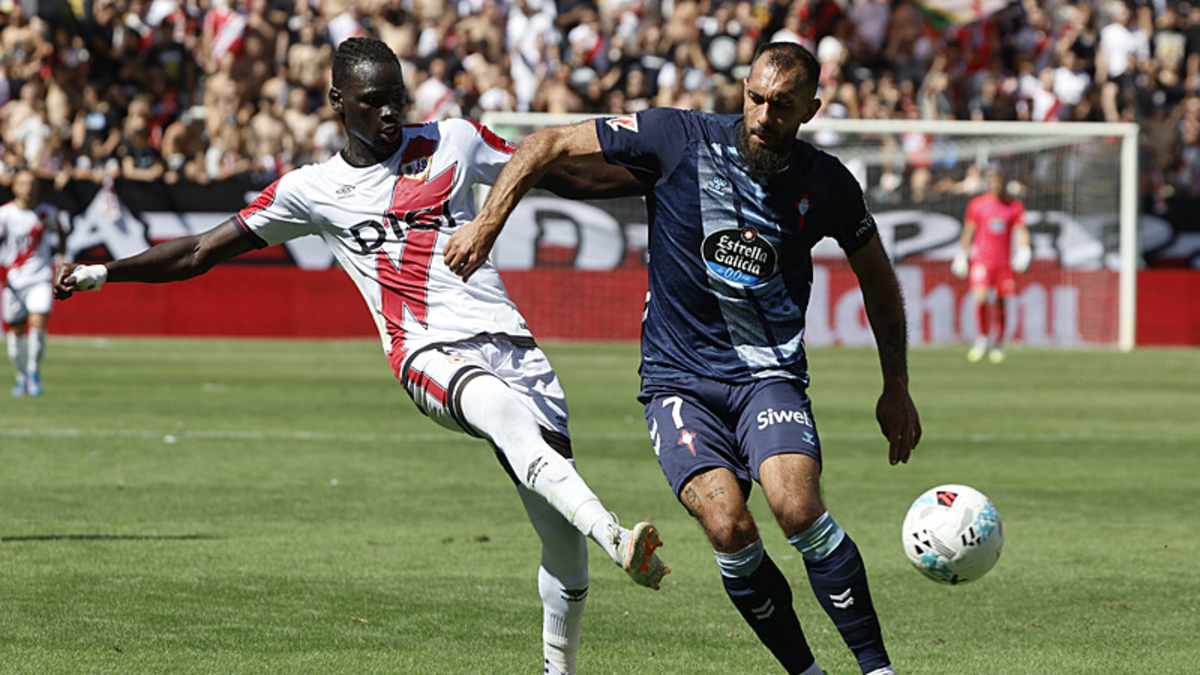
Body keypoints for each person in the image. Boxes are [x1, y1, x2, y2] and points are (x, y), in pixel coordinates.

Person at [54, 37, 667, 675]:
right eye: (373, 103)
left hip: (512, 344)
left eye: (397, 100)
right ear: (337, 102)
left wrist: (662, 179)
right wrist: (107, 272)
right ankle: (619, 535)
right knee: (500, 414)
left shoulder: (453, 140)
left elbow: (555, 172)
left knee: (562, 550)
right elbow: (199, 251)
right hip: (425, 352)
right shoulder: (312, 189)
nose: (389, 115)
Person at [446, 42, 921, 675]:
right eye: (754, 97)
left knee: (798, 510)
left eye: (781, 106)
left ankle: (877, 670)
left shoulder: (827, 181)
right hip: (678, 383)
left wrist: (896, 386)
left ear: (812, 107)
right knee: (728, 526)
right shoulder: (677, 136)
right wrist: (485, 225)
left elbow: (878, 280)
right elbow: (547, 144)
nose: (761, 116)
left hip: (767, 377)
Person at [951, 166, 1031, 363]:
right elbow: (969, 230)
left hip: (1003, 262)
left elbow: (1021, 229)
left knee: (1002, 300)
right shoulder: (977, 205)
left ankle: (999, 342)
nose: (996, 185)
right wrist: (962, 254)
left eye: (999, 181)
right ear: (987, 183)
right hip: (982, 261)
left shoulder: (1014, 206)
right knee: (981, 298)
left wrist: (1025, 249)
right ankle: (982, 338)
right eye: (993, 181)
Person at [1, 169, 66, 397]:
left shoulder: (46, 213)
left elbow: (61, 231)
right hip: (13, 281)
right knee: (16, 331)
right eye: (23, 183)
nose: (28, 187)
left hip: (40, 277)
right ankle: (20, 378)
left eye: (31, 183)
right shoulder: (5, 214)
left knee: (38, 322)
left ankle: (33, 372)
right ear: (15, 187)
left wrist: (61, 256)